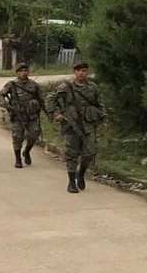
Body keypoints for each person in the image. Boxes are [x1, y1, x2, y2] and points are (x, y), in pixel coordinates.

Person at [45, 61, 109, 194]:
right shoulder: (66, 87)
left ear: (88, 72)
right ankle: (71, 181)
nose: (81, 73)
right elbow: (50, 98)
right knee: (71, 154)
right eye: (79, 70)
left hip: (88, 125)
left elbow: (99, 104)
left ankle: (81, 174)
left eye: (84, 70)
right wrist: (56, 113)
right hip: (71, 125)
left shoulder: (93, 88)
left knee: (89, 153)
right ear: (74, 72)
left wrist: (104, 119)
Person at [0, 63, 46, 169]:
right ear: (17, 72)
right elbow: (1, 94)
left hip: (32, 116)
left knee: (34, 135)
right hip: (18, 115)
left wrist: (48, 112)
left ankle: (27, 151)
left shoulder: (34, 85)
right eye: (21, 71)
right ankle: (18, 159)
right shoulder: (12, 84)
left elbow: (42, 99)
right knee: (17, 137)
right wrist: (6, 105)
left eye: (25, 70)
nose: (24, 73)